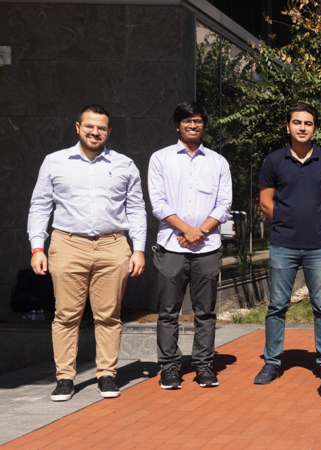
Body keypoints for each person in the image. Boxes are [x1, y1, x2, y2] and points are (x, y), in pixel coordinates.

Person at [28, 104, 147, 401]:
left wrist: (139, 249)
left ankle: (107, 374)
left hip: (112, 245)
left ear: (109, 131)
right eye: (90, 126)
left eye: (102, 128)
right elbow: (40, 206)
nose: (95, 132)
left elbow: (136, 209)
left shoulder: (125, 165)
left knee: (109, 315)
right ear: (78, 127)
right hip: (67, 244)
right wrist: (36, 248)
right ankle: (65, 378)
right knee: (66, 315)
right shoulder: (54, 162)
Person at [253, 102, 321, 385]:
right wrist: (288, 221)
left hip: (319, 245)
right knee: (277, 305)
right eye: (297, 123)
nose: (302, 127)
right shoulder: (273, 161)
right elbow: (266, 202)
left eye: (308, 123)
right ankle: (272, 362)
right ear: (287, 126)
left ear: (315, 128)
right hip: (283, 244)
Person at [148, 101, 232, 390]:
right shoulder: (160, 159)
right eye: (187, 121)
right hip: (172, 247)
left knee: (206, 311)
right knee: (168, 312)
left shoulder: (218, 162)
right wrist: (186, 229)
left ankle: (204, 365)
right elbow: (158, 203)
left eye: (197, 121)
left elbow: (224, 205)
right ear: (177, 125)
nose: (193, 126)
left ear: (203, 125)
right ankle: (169, 368)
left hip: (207, 249)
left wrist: (200, 231)